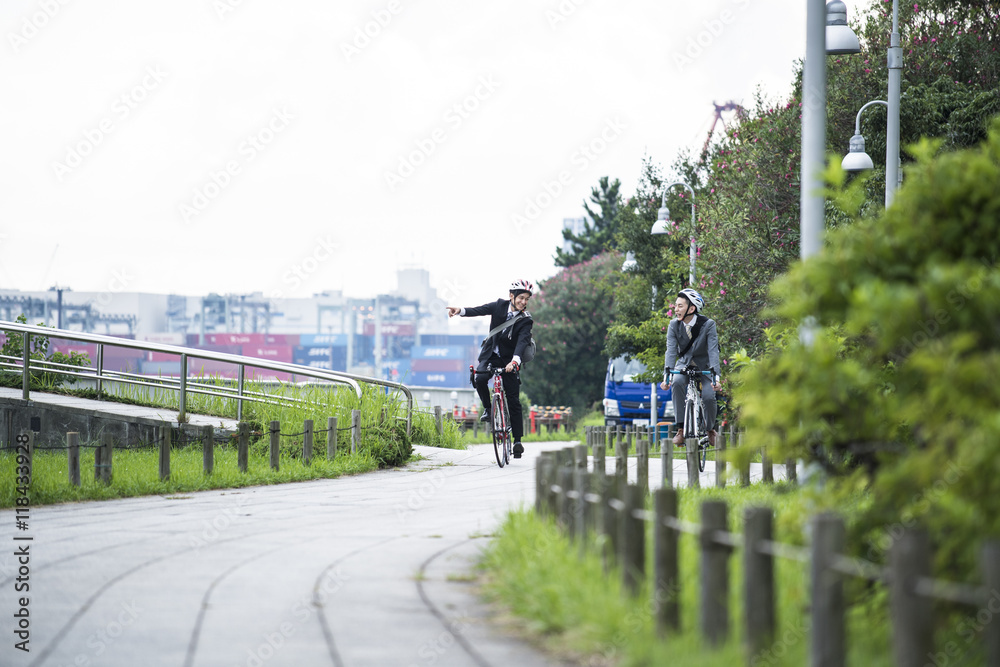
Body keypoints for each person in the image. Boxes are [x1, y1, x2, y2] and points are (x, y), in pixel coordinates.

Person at [446, 279, 534, 459]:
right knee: (479, 378)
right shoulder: (499, 306)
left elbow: (522, 342)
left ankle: (517, 441)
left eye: (526, 299)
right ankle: (488, 408)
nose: (523, 302)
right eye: (521, 298)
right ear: (512, 296)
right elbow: (479, 310)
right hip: (490, 355)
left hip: (509, 360)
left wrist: (515, 362)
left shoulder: (526, 320)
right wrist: (460, 311)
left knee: (513, 399)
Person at [659, 288, 722, 448]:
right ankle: (680, 428)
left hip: (706, 367)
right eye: (676, 305)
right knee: (677, 382)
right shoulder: (674, 325)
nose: (676, 309)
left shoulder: (708, 325)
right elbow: (671, 351)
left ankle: (710, 430)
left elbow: (713, 351)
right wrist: (666, 377)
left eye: (680, 306)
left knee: (708, 396)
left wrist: (716, 378)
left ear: (691, 309)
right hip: (684, 365)